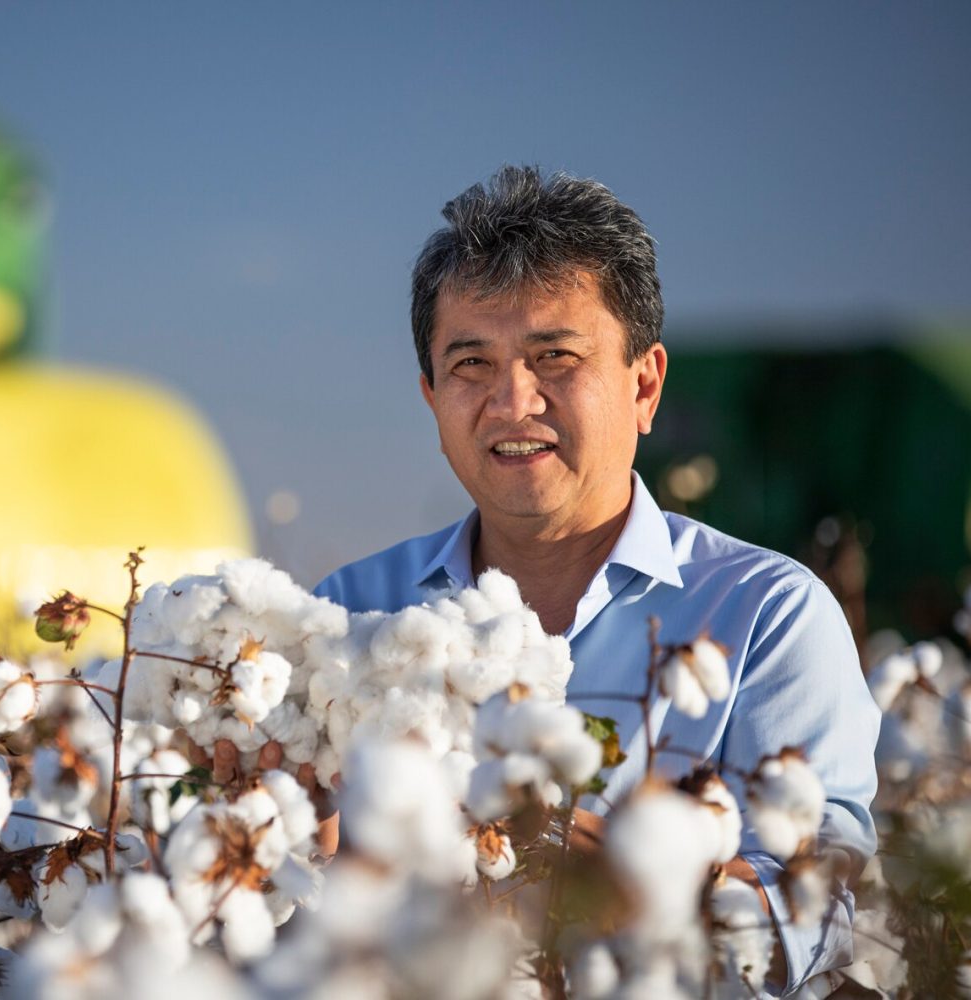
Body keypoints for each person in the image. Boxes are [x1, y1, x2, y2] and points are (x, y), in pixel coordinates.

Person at [313, 165, 880, 995]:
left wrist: (630, 884)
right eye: (471, 363)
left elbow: (817, 910)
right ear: (432, 397)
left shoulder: (767, 615)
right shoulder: (347, 613)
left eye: (555, 356)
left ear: (644, 384)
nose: (513, 401)